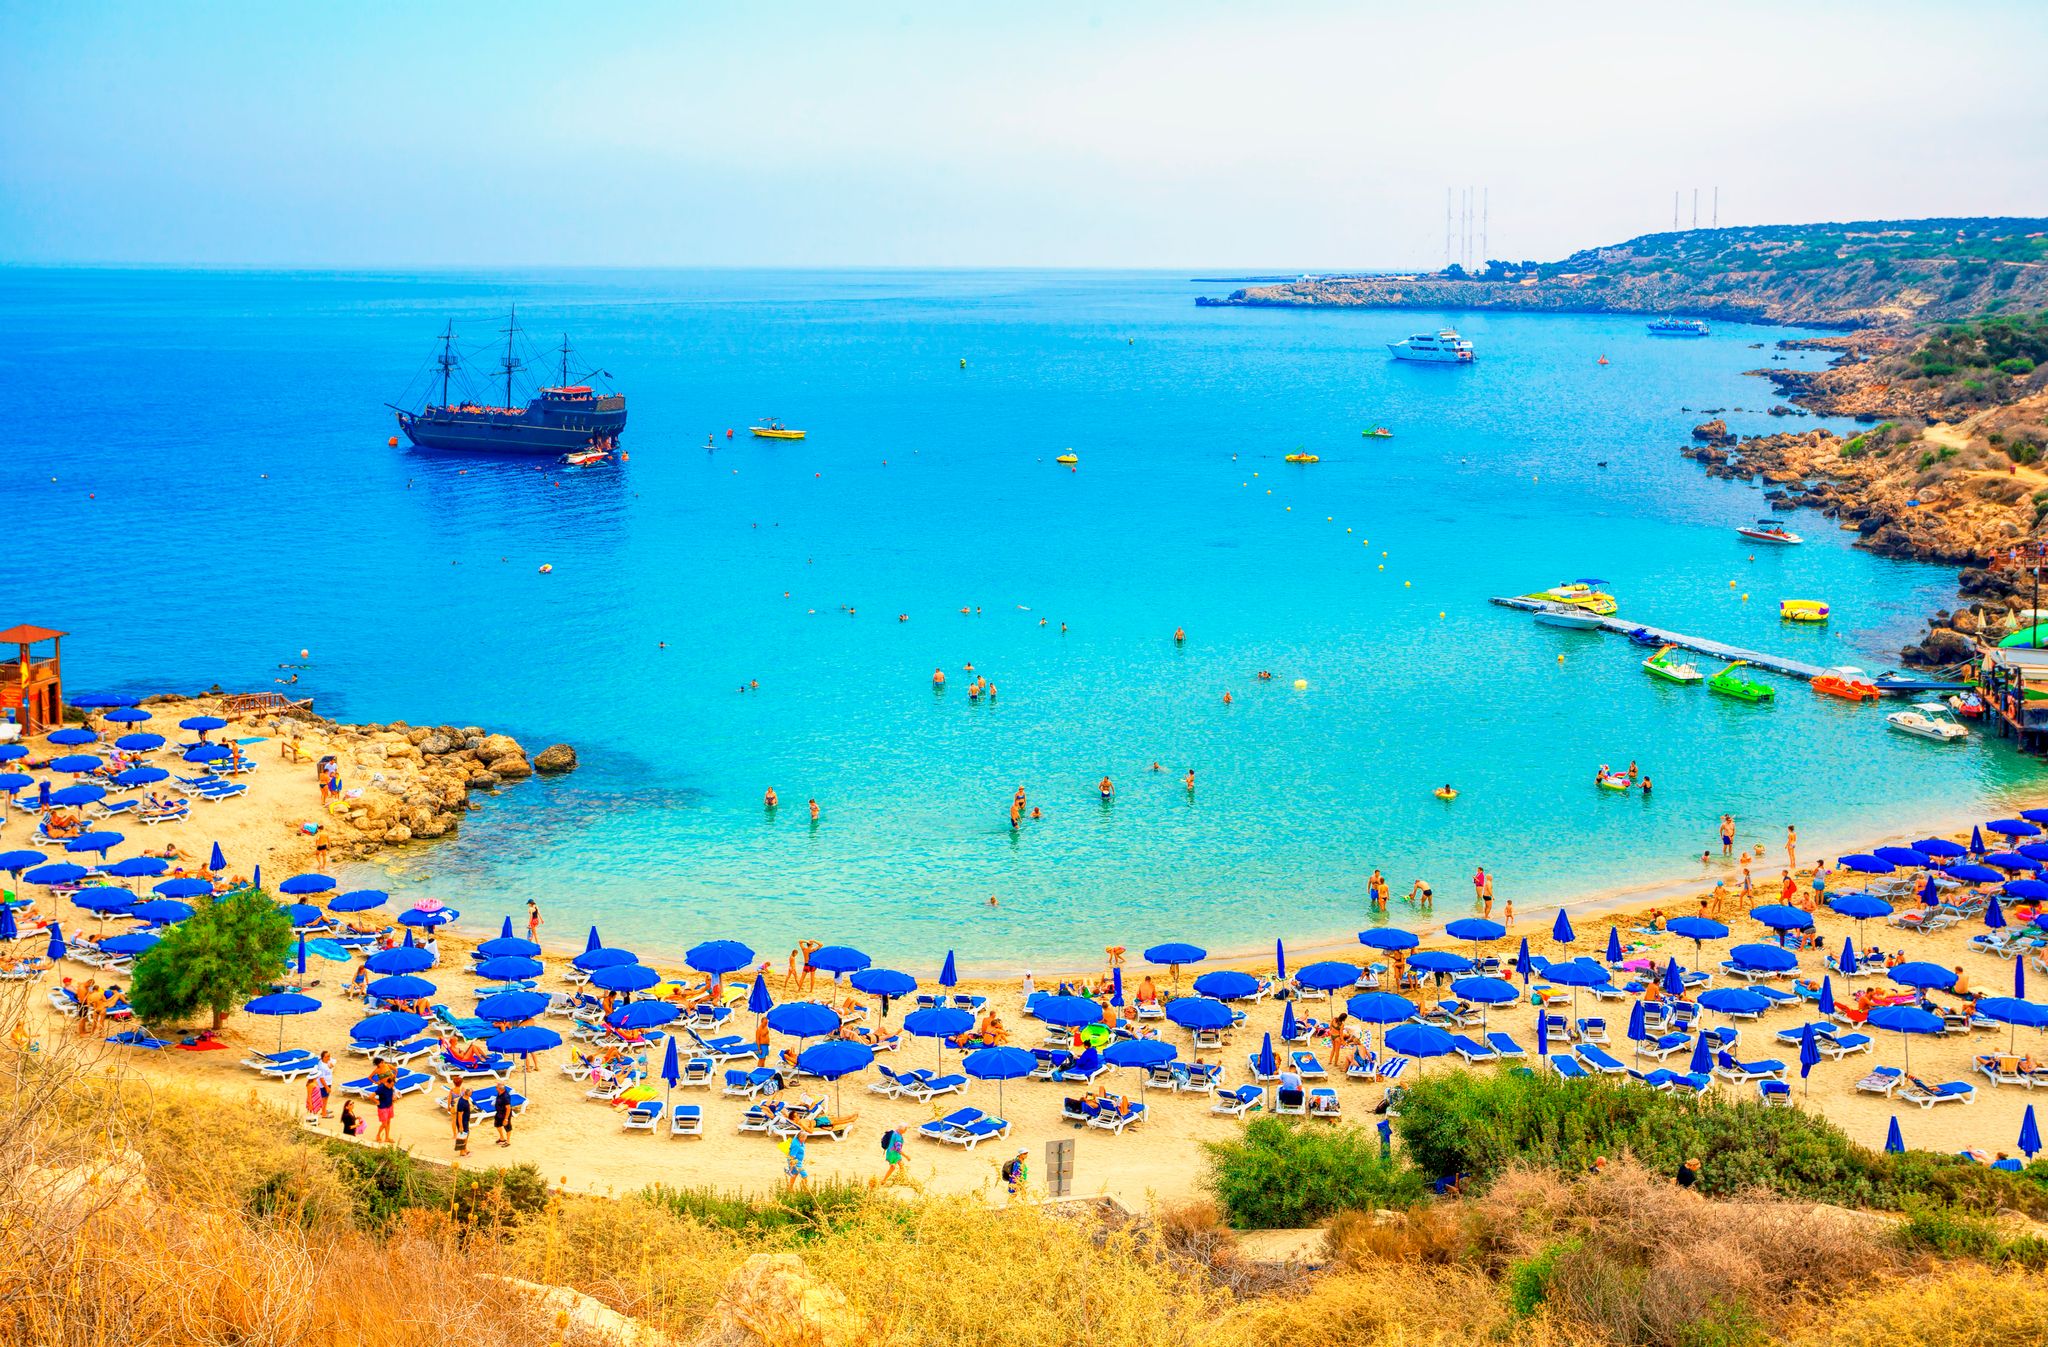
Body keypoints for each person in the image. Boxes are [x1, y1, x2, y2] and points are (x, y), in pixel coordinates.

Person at [373, 1062, 397, 1144]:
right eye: (391, 1085)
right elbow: (371, 1096)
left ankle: (387, 1137)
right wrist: (377, 1102)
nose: (392, 1087)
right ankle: (378, 1135)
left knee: (388, 1122)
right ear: (388, 1083)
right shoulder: (381, 1088)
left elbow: (390, 1094)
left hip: (389, 1106)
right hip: (383, 1107)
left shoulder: (391, 1087)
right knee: (384, 1124)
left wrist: (393, 1098)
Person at [449, 1079, 473, 1157]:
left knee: (466, 1135)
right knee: (463, 1136)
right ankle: (462, 1152)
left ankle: (465, 1149)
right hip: (463, 1122)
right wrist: (461, 1126)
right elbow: (459, 1115)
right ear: (469, 1094)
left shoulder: (465, 1099)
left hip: (465, 1120)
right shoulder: (462, 1102)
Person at [783, 1128, 809, 1192]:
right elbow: (792, 1156)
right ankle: (805, 1190)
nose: (805, 1139)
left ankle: (790, 1188)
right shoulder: (796, 1145)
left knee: (795, 1174)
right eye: (804, 1137)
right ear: (801, 1137)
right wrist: (791, 1167)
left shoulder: (798, 1140)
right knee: (804, 1175)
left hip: (798, 1161)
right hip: (795, 1162)